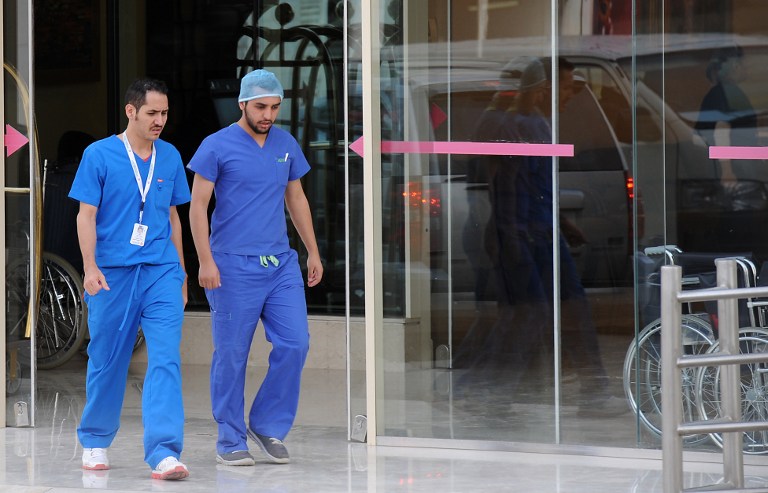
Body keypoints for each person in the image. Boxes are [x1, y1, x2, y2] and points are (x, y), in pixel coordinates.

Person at [187, 69, 323, 466]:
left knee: (296, 343)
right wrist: (205, 260)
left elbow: (295, 198)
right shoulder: (216, 146)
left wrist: (312, 252)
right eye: (261, 106)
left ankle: (266, 424)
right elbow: (197, 207)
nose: (268, 114)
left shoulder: (285, 143)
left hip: (280, 264)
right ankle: (230, 439)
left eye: (275, 107)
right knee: (232, 354)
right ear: (242, 103)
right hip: (231, 266)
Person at [69, 78, 191, 480]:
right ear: (131, 111)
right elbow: (85, 216)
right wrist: (89, 267)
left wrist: (182, 272)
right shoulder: (99, 154)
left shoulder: (170, 156)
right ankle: (95, 439)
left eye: (165, 113)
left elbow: (173, 218)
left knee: (166, 357)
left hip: (160, 271)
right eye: (153, 113)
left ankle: (163, 452)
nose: (160, 121)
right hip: (111, 274)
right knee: (107, 358)